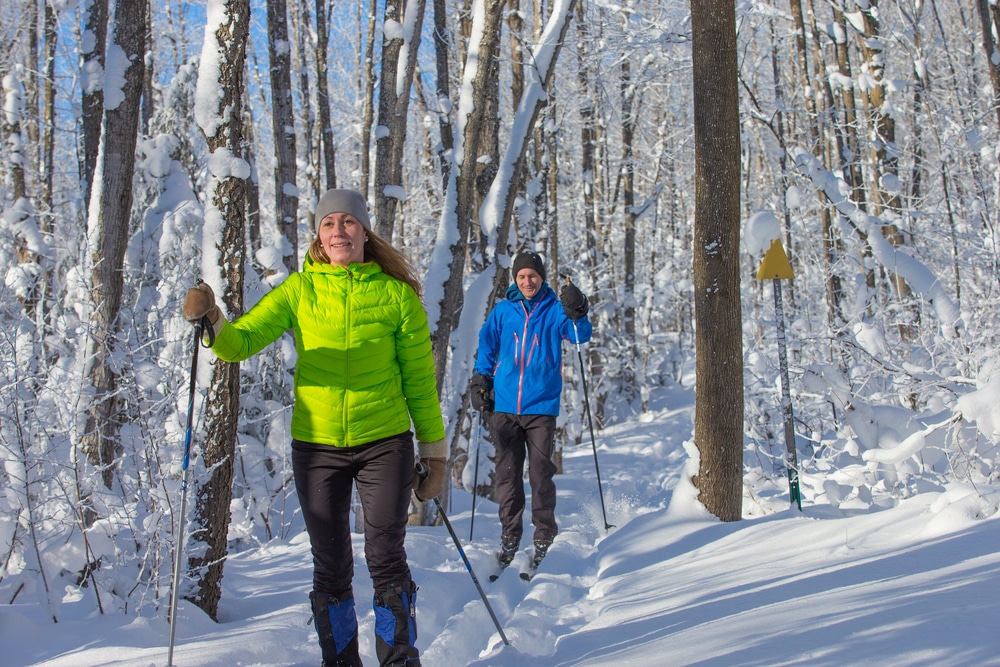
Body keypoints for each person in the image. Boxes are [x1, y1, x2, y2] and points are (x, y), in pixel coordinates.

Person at [183, 188, 446, 667]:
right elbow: (239, 343)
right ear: (319, 238)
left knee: (386, 557)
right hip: (317, 447)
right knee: (330, 567)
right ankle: (340, 662)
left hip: (384, 443)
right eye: (329, 224)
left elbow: (420, 382)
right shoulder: (299, 291)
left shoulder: (396, 296)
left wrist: (435, 451)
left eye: (348, 222)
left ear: (364, 232)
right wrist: (212, 318)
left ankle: (399, 659)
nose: (339, 231)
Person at [469, 251, 591, 572]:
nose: (527, 282)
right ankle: (510, 537)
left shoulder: (554, 310)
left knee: (540, 474)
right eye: (522, 276)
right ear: (515, 279)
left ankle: (544, 536)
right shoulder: (503, 311)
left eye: (533, 276)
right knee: (507, 477)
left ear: (542, 277)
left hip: (541, 407)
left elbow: (580, 336)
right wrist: (481, 378)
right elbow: (487, 345)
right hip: (506, 406)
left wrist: (577, 310)